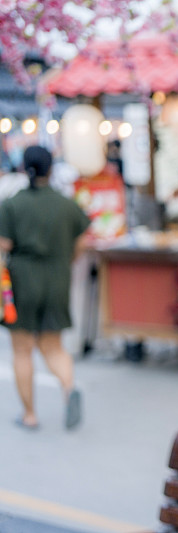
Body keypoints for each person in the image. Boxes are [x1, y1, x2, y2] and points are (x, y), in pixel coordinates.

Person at [0, 145, 91, 431]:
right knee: (53, 345)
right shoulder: (66, 204)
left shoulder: (13, 204)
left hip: (22, 279)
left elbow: (4, 245)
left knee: (23, 349)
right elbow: (82, 242)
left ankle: (29, 414)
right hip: (57, 277)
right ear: (51, 168)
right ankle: (68, 386)